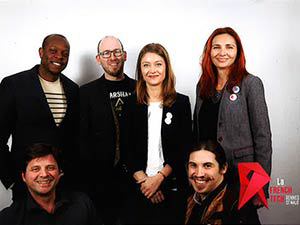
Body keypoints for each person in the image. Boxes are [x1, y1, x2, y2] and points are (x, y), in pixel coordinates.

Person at [193, 27, 272, 205]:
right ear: (209, 51)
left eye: (229, 47)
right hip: (208, 176)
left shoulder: (251, 84)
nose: (222, 52)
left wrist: (259, 187)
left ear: (237, 52)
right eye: (216, 47)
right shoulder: (202, 86)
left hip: (242, 175)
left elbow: (263, 137)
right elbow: (197, 133)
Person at [0, 34, 79, 200]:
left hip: (64, 187)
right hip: (27, 186)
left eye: (65, 53)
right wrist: (12, 180)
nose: (59, 56)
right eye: (53, 51)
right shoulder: (14, 85)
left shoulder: (73, 89)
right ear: (41, 52)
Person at [125, 43, 192, 224]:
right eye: (146, 65)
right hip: (140, 189)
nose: (152, 70)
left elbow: (184, 148)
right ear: (140, 70)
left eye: (158, 64)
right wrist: (146, 183)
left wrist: (159, 179)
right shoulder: (130, 104)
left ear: (166, 67)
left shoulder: (181, 103)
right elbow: (125, 149)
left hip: (173, 186)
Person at [80, 35, 136, 224]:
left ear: (125, 55)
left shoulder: (140, 88)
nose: (112, 57)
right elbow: (81, 138)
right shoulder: (86, 93)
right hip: (99, 184)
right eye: (106, 53)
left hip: (136, 180)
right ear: (98, 58)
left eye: (116, 52)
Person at [0, 143, 101, 225]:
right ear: (24, 177)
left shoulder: (83, 204)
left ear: (60, 172)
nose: (44, 174)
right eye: (35, 169)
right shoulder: (9, 219)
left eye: (50, 168)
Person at [185, 140, 261, 224]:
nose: (199, 174)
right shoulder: (187, 199)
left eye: (207, 166)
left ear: (223, 168)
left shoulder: (238, 206)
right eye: (193, 165)